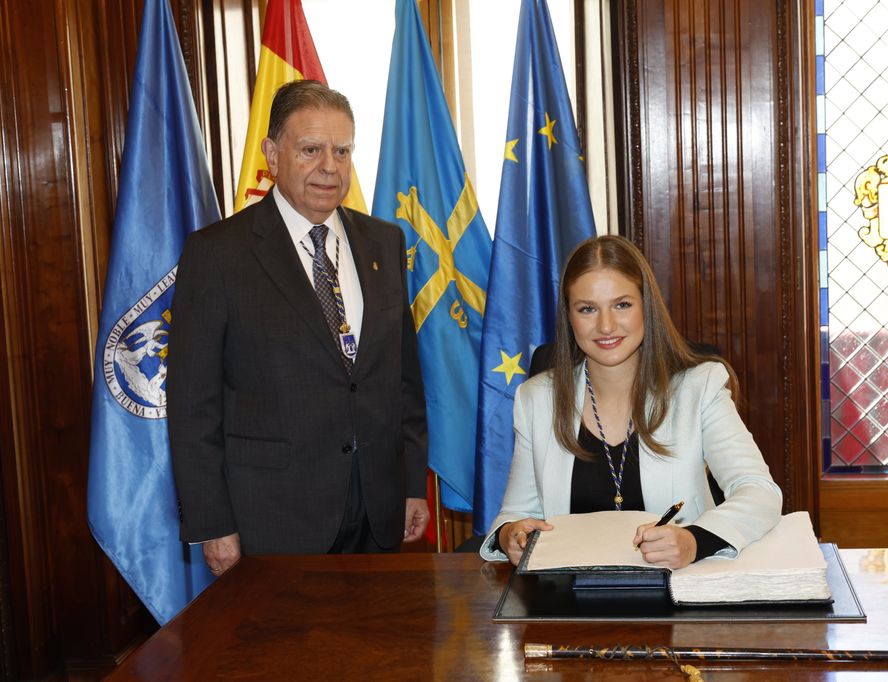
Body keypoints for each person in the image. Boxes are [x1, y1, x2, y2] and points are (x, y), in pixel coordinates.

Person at [168, 80, 428, 576]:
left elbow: (404, 382)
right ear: (272, 153)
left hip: (377, 510)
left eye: (342, 150)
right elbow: (191, 406)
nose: (329, 166)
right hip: (273, 521)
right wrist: (211, 522)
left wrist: (412, 483)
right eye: (310, 150)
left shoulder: (384, 243)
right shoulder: (217, 254)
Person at [479, 235, 781, 569]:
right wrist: (511, 534)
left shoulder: (700, 386)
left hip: (676, 593)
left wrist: (695, 540)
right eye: (587, 309)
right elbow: (515, 514)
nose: (606, 325)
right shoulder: (536, 399)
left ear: (645, 307)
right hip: (571, 600)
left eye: (622, 304)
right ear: (569, 317)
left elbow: (759, 492)